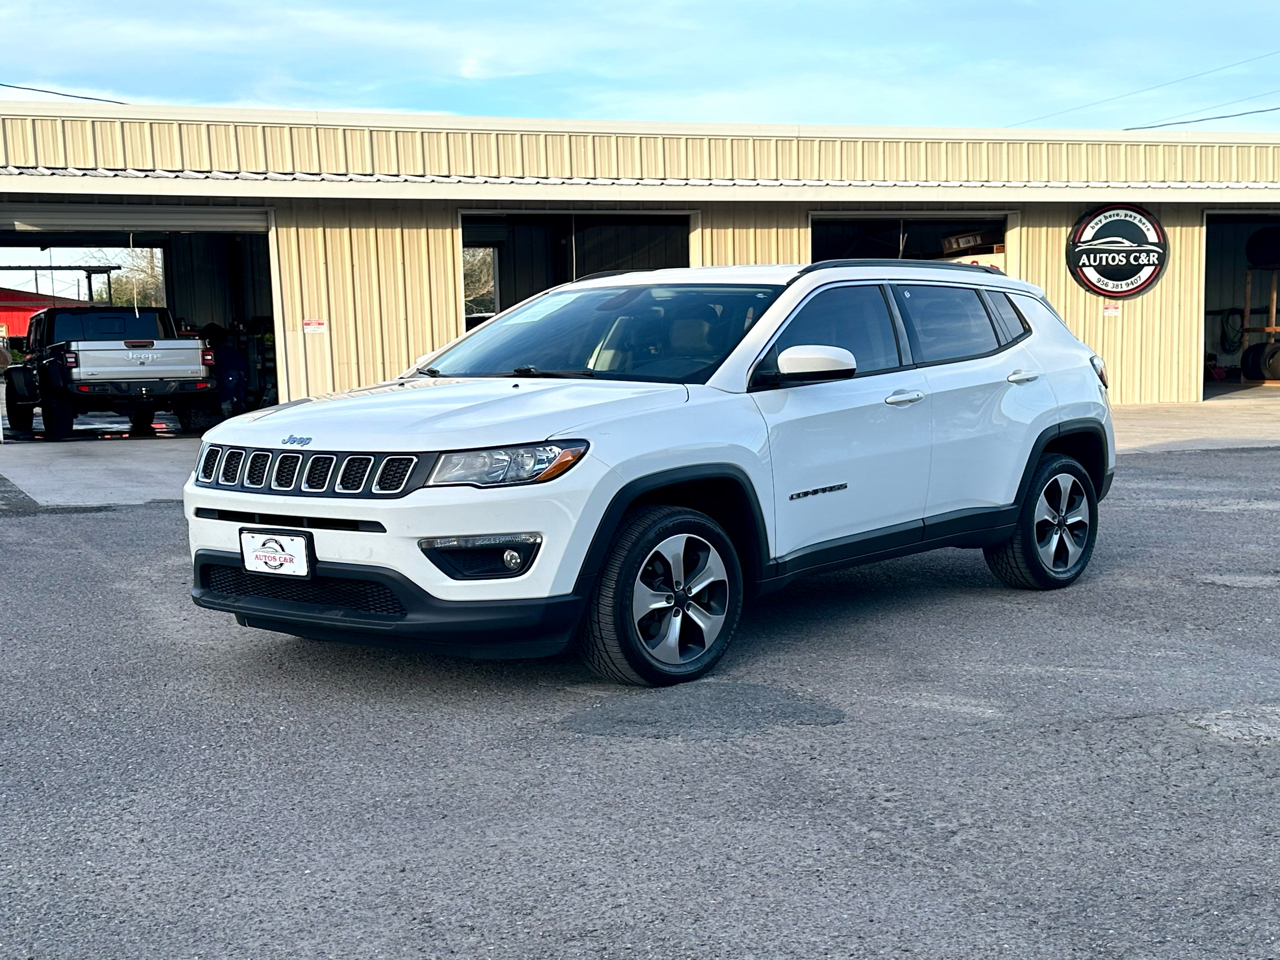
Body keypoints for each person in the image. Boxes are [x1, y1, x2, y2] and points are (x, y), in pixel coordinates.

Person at [201, 323, 249, 415]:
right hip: (240, 370)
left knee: (228, 394)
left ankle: (227, 415)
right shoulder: (229, 349)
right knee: (239, 395)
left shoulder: (217, 351)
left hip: (230, 371)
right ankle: (240, 414)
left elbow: (216, 366)